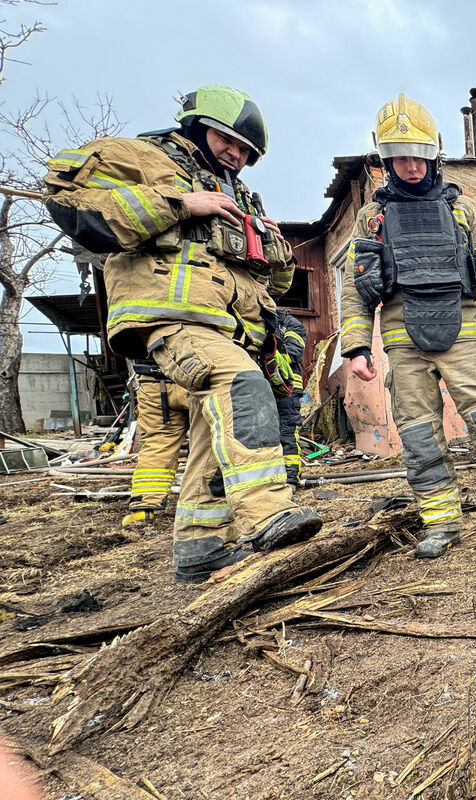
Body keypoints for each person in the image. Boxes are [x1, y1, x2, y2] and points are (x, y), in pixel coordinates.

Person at [44, 84, 322, 582]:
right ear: (197, 125)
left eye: (246, 152)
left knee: (210, 437)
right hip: (173, 319)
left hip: (230, 327)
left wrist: (274, 247)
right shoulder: (144, 157)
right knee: (241, 387)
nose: (236, 156)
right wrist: (179, 203)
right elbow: (66, 196)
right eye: (228, 141)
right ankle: (267, 514)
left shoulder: (240, 197)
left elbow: (273, 284)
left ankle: (201, 549)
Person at [340, 93, 476, 560]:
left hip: (464, 334)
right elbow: (356, 287)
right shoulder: (370, 219)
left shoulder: (465, 210)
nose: (411, 166)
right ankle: (442, 525)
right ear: (386, 158)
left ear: (432, 153)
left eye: (419, 156)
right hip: (401, 343)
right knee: (418, 440)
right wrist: (356, 347)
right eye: (400, 157)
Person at [121, 359, 189, 527]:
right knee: (209, 443)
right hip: (198, 380)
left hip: (152, 381)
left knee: (157, 443)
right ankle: (205, 505)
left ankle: (143, 510)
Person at [274, 307, 307, 489]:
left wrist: (267, 352)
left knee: (286, 431)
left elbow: (293, 353)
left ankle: (291, 478)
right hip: (263, 386)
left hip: (288, 387)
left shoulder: (291, 325)